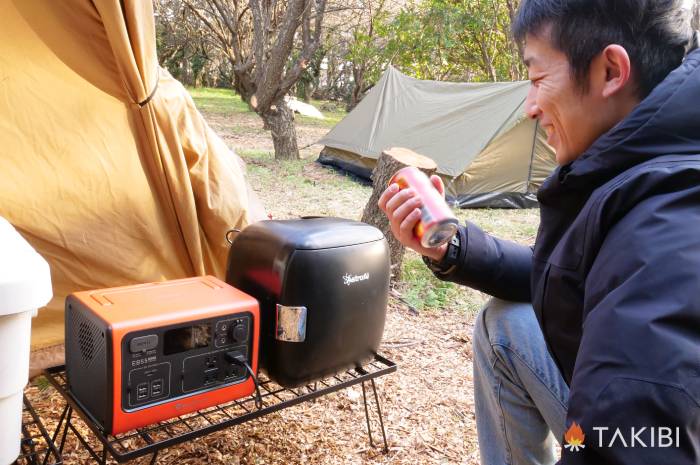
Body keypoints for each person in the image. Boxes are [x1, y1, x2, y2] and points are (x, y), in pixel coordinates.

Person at [379, 1, 700, 463]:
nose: (530, 108)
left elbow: (636, 442)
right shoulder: (645, 165)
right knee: (506, 325)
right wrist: (453, 248)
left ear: (611, 71)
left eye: (536, 80)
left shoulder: (664, 229)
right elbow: (570, 273)